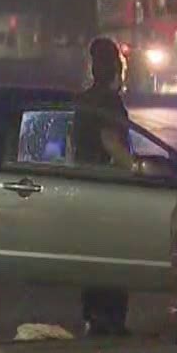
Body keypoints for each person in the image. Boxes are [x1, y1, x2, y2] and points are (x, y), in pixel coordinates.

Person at [73, 37, 136, 337]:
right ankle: (111, 319)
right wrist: (136, 169)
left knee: (92, 251)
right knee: (114, 252)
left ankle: (93, 315)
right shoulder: (109, 102)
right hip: (109, 186)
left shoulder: (83, 100)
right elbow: (111, 142)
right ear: (117, 68)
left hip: (85, 183)